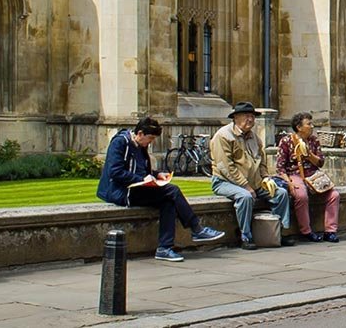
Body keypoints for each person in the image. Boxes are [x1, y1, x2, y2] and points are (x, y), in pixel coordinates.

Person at [98, 116, 226, 261]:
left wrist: (157, 175)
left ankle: (164, 248)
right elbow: (115, 172)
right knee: (172, 190)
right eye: (150, 138)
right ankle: (196, 228)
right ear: (140, 133)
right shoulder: (120, 143)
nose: (151, 143)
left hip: (135, 188)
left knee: (168, 202)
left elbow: (141, 171)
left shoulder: (141, 145)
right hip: (120, 192)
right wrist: (141, 179)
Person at [210, 101, 295, 249]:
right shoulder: (223, 136)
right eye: (246, 116)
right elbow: (226, 167)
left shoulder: (254, 137)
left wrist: (266, 178)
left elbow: (261, 161)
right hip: (225, 182)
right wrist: (245, 185)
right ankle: (246, 236)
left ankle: (277, 234)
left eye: (252, 117)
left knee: (280, 193)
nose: (250, 120)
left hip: (254, 182)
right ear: (236, 117)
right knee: (245, 197)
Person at [276, 112, 340, 243]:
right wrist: (289, 183)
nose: (312, 126)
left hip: (313, 173)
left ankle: (330, 231)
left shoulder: (314, 140)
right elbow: (280, 167)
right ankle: (306, 231)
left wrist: (309, 155)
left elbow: (320, 162)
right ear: (299, 127)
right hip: (295, 174)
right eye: (309, 124)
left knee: (334, 195)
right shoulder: (286, 141)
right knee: (301, 196)